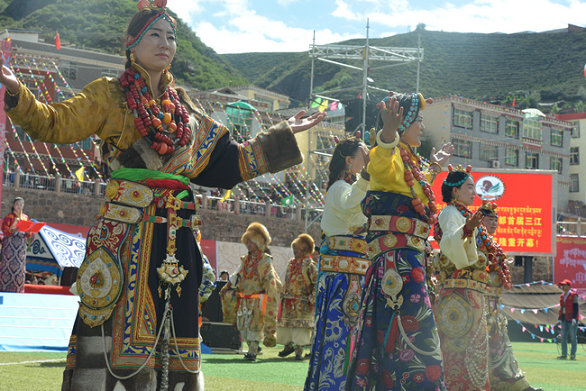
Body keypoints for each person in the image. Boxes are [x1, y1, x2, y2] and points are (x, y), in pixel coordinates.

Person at [0, 1, 325, 389]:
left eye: (171, 36)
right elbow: (54, 123)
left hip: (179, 238)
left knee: (178, 334)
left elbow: (230, 163)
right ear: (130, 43)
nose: (165, 43)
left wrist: (285, 132)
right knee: (116, 326)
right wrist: (19, 94)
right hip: (126, 237)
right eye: (154, 34)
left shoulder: (185, 110)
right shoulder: (108, 94)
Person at [346, 93, 451, 391]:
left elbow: (411, 190)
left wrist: (434, 168)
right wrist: (388, 132)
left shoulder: (409, 161)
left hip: (411, 263)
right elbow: (381, 169)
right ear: (402, 122)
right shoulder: (387, 153)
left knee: (409, 336)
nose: (421, 127)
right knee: (415, 337)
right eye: (417, 120)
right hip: (398, 266)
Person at [304, 137, 370, 391]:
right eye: (363, 155)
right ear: (349, 160)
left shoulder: (353, 187)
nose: (367, 160)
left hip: (354, 270)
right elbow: (349, 202)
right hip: (340, 273)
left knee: (350, 331)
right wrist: (366, 178)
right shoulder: (339, 188)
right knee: (338, 331)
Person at [435, 165, 491, 391]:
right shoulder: (450, 213)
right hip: (458, 294)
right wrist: (466, 230)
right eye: (469, 187)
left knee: (473, 348)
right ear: (455, 192)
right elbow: (449, 244)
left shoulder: (464, 215)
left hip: (469, 294)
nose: (474, 192)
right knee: (459, 348)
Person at [479, 202, 541, 391]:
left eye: (496, 220)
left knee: (500, 348)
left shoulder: (492, 245)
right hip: (480, 306)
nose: (494, 224)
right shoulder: (476, 244)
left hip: (494, 307)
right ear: (480, 221)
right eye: (490, 220)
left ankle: (512, 384)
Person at [220, 222, 282, 361]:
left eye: (251, 242)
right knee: (245, 327)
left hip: (258, 300)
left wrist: (270, 292)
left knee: (255, 327)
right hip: (245, 299)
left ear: (258, 242)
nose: (248, 244)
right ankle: (253, 348)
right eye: (246, 241)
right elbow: (237, 274)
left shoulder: (265, 260)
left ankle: (253, 351)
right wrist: (227, 287)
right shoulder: (246, 260)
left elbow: (270, 279)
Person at [277, 233, 317, 360]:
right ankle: (288, 346)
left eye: (297, 249)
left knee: (301, 328)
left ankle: (299, 350)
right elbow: (284, 279)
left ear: (304, 250)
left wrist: (313, 297)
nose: (294, 251)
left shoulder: (310, 265)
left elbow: (317, 283)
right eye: (294, 248)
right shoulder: (291, 263)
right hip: (289, 300)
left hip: (303, 302)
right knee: (286, 326)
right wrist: (282, 291)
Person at [0, 197, 30, 292]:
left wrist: (29, 231)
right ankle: (5, 287)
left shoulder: (25, 217)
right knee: (7, 266)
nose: (19, 206)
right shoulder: (9, 216)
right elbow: (4, 229)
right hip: (10, 246)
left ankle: (19, 288)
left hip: (20, 248)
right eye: (17, 204)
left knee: (20, 268)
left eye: (21, 204)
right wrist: (13, 227)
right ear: (13, 205)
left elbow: (28, 233)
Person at [557, 279, 579, 361]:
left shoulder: (574, 295)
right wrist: (560, 318)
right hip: (564, 319)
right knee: (563, 337)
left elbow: (576, 307)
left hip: (572, 319)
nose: (562, 287)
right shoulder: (562, 296)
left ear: (569, 286)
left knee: (573, 337)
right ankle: (564, 354)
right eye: (562, 285)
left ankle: (573, 354)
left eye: (564, 285)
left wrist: (574, 318)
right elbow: (562, 308)